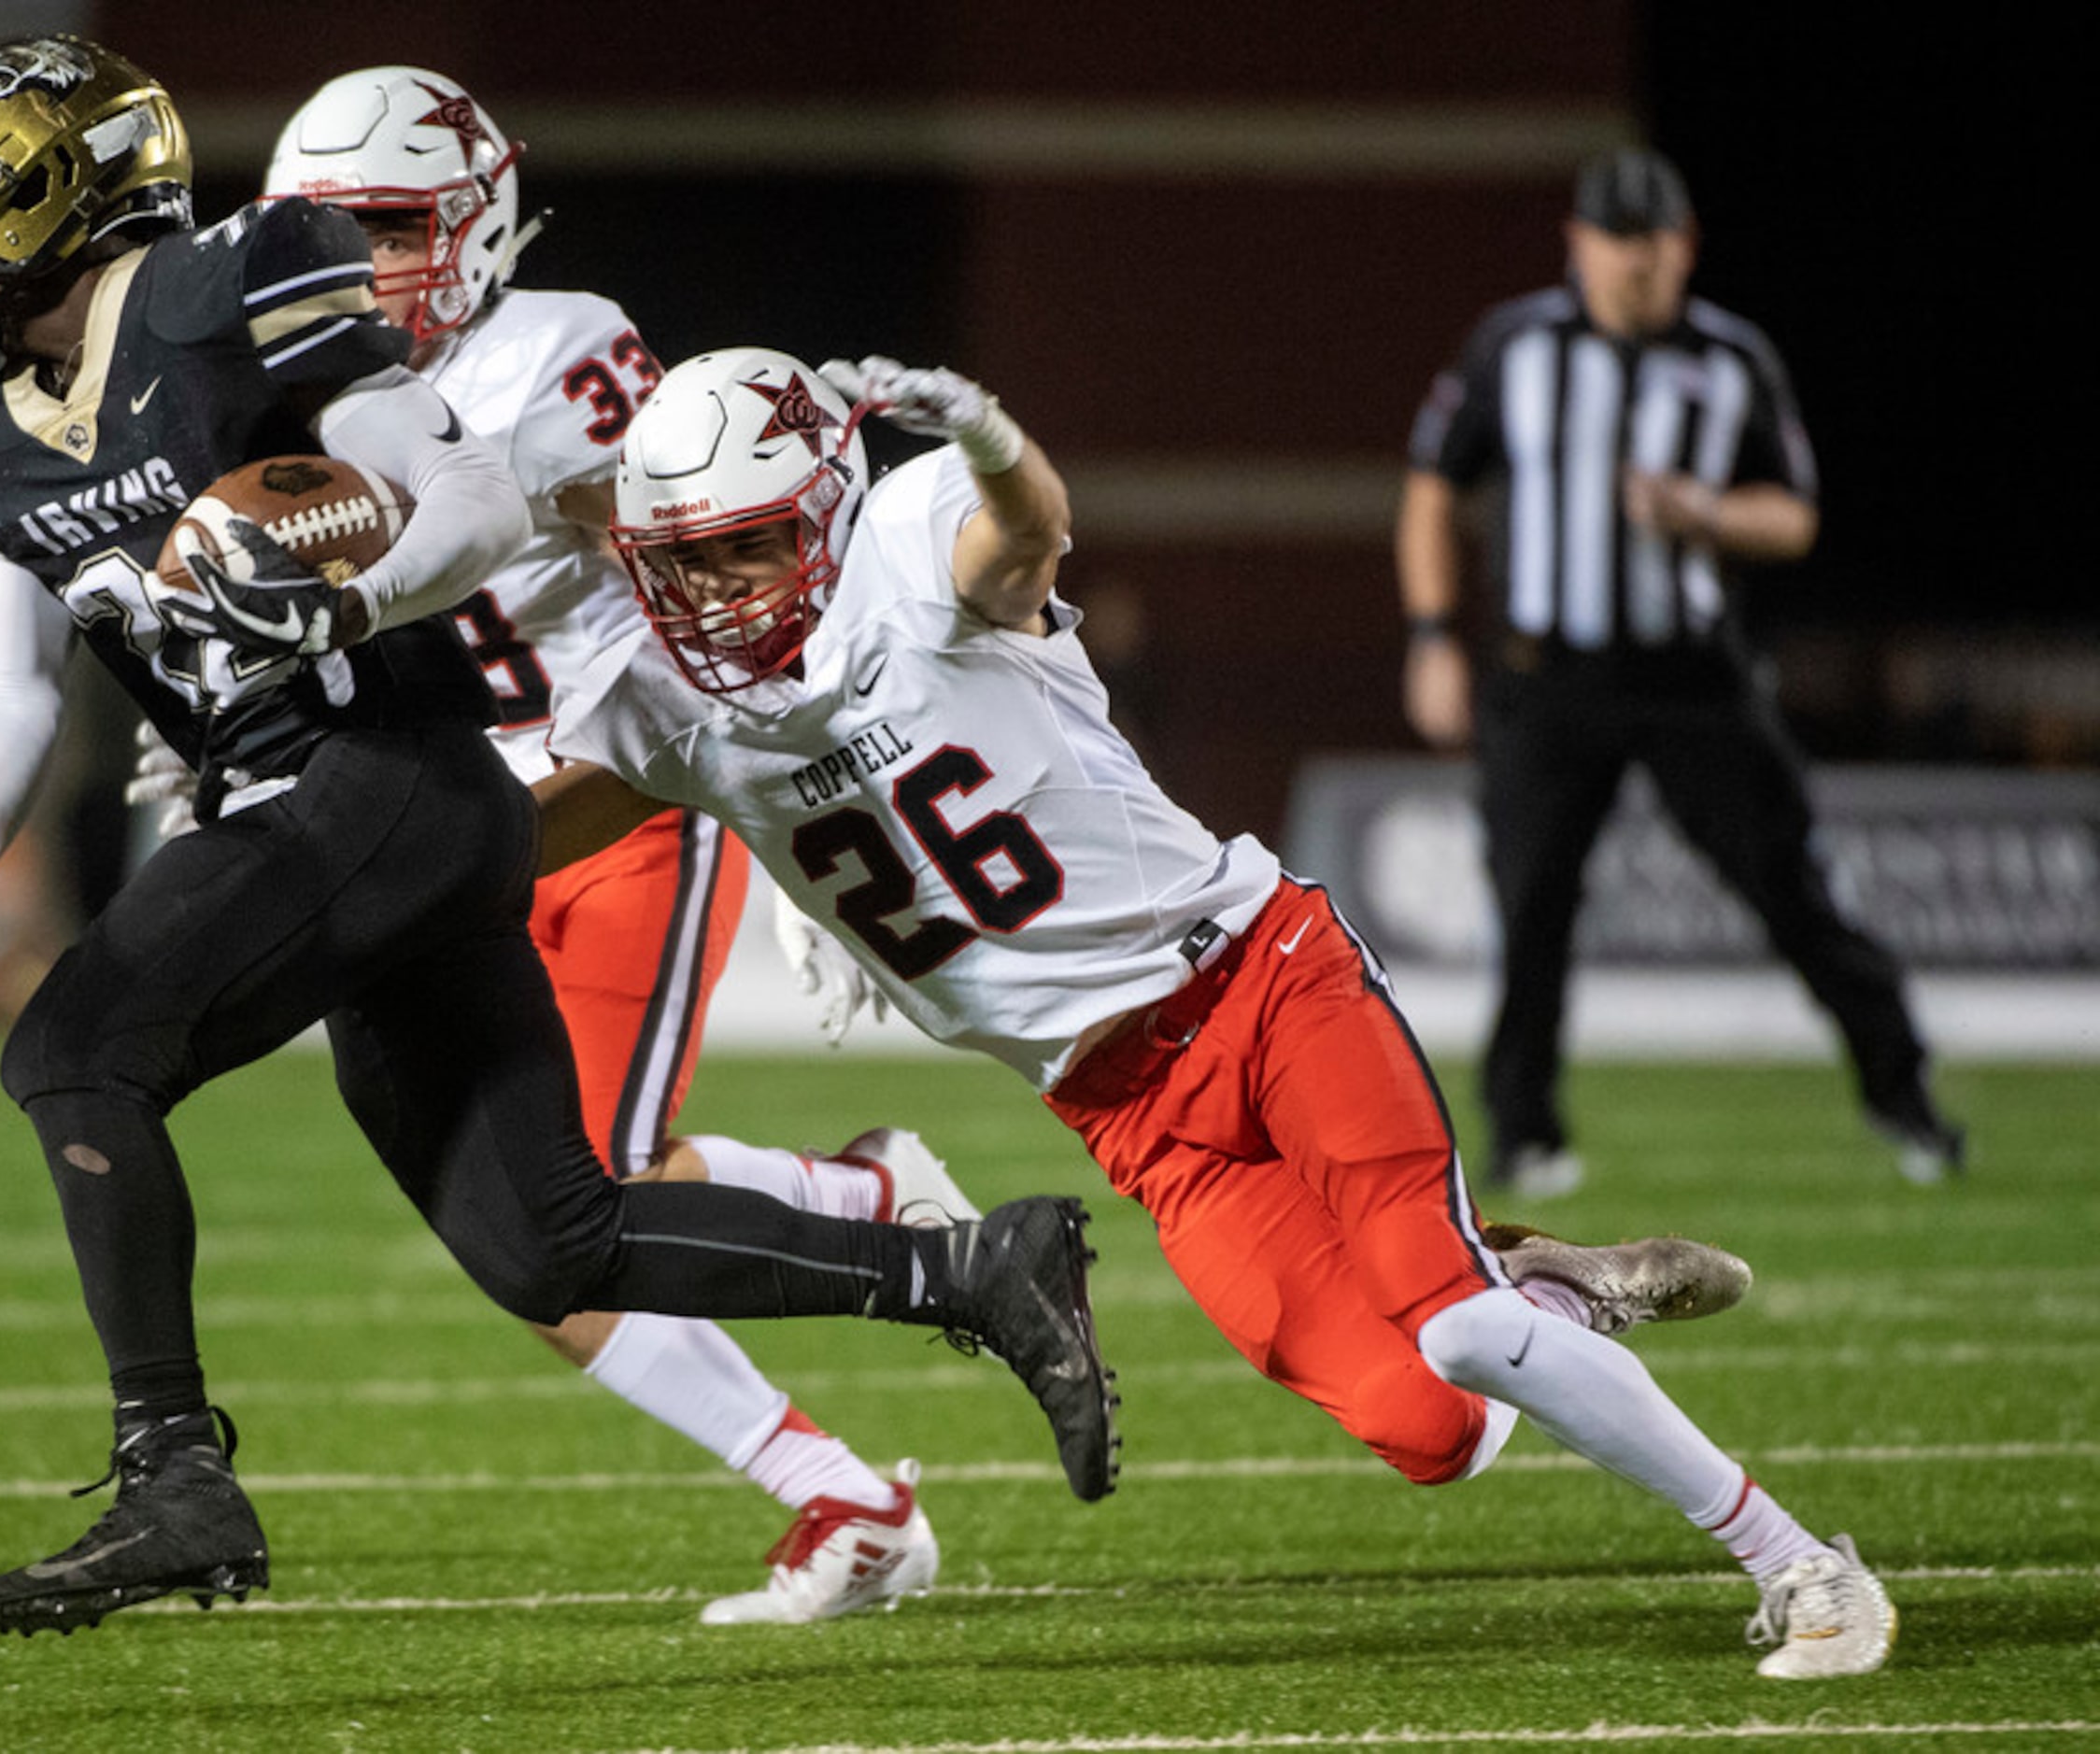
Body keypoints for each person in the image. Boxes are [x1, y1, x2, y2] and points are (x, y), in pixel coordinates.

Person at [0, 34, 1114, 1638]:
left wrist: (340, 598)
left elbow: (476, 498)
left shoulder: (224, 286)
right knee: (547, 1240)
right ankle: (973, 1271)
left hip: (386, 767)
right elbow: (18, 671)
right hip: (348, 809)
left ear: (51, 197)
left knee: (75, 1051)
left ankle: (175, 1475)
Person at [504, 344, 1894, 1679]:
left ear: (822, 508)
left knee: (1456, 1328)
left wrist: (984, 436)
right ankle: (1541, 1281)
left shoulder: (923, 534)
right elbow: (509, 841)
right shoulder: (666, 705)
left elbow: (1028, 529)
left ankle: (1797, 1561)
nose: (710, 591)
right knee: (1439, 1427)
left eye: (740, 546)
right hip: (1127, 1114)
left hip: (1258, 977)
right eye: (678, 559)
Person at [231, 64, 969, 1624]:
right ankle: (845, 1427)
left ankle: (853, 1366)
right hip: (440, 823)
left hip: (607, 790)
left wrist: (796, 821)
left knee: (585, 1193)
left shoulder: (556, 345)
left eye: (388, 224)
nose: (363, 265)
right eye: (328, 231)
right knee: (504, 1224)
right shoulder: (288, 383)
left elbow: (715, 540)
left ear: (477, 216)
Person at [1397, 147, 1964, 1196]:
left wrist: (1699, 512)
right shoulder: (1510, 345)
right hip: (1545, 678)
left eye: (1653, 245)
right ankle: (1523, 1130)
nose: (1634, 267)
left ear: (1684, 248)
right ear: (1576, 243)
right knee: (1529, 908)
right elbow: (1432, 487)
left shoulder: (1729, 359)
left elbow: (1792, 515)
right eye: (1615, 242)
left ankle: (1905, 1096)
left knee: (1792, 891)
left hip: (1690, 681)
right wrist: (1431, 632)